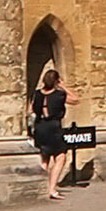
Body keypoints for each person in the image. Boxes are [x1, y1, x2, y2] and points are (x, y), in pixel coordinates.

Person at [30, 59, 77, 189]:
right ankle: (52, 188)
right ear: (56, 81)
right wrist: (63, 86)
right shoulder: (59, 95)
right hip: (53, 127)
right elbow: (75, 99)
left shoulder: (37, 94)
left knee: (44, 158)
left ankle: (40, 185)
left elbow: (31, 109)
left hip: (40, 126)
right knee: (60, 157)